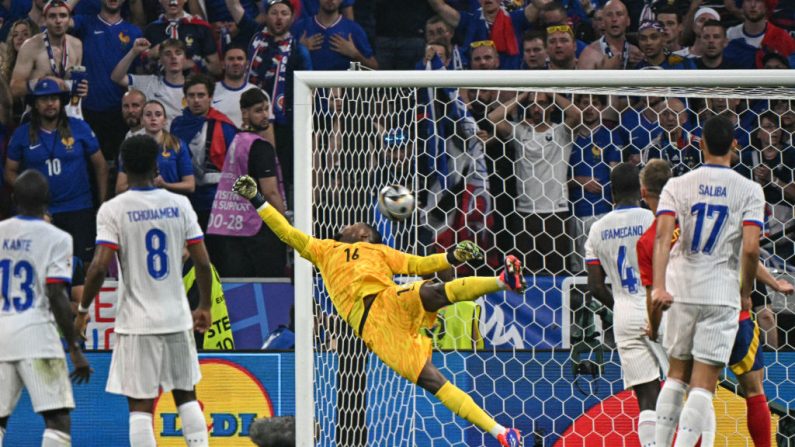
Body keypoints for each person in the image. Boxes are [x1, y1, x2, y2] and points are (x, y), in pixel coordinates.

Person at [232, 174, 525, 447]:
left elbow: (419, 265)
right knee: (432, 380)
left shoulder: (381, 252)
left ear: (362, 233)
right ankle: (501, 432)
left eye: (352, 224)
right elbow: (286, 232)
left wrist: (450, 256)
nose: (346, 226)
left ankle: (502, 281)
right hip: (375, 329)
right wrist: (257, 198)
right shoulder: (322, 250)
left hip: (388, 298)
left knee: (432, 291)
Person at [637, 158, 788, 447]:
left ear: (645, 192)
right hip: (731, 306)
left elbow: (653, 294)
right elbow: (745, 249)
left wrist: (654, 328)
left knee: (694, 388)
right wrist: (768, 284)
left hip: (689, 314)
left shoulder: (650, 239)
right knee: (754, 390)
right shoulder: (697, 217)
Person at [75, 134, 213, 447]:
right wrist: (204, 306)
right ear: (156, 165)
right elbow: (203, 263)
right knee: (186, 395)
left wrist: (83, 311)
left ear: (122, 165)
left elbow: (98, 267)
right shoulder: (179, 205)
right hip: (177, 317)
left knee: (140, 405)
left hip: (137, 322)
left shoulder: (114, 209)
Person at [651, 115, 766, 447]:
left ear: (700, 144)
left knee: (675, 376)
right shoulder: (749, 189)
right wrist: (745, 290)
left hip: (680, 288)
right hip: (720, 292)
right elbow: (750, 247)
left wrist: (659, 285)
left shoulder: (677, 184)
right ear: (735, 145)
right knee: (703, 383)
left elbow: (661, 237)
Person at [0, 170, 91, 447]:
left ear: (14, 198)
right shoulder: (57, 238)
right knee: (57, 419)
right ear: (47, 201)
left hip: (2, 334)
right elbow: (56, 295)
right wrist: (74, 347)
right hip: (38, 337)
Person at [585, 162, 663, 447]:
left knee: (647, 396)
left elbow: (595, 286)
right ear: (642, 191)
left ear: (611, 193)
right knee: (685, 386)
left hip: (625, 312)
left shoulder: (597, 230)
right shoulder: (653, 218)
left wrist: (619, 302)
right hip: (661, 306)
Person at [5, 79, 108, 263]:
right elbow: (9, 172)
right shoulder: (21, 134)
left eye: (54, 98)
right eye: (44, 99)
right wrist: (31, 194)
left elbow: (100, 166)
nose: (50, 103)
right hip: (42, 212)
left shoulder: (80, 127)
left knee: (83, 265)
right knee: (42, 265)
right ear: (35, 104)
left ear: (61, 102)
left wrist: (102, 204)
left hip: (79, 207)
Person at [207, 88, 286, 277]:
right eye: (259, 110)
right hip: (258, 231)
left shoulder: (237, 140)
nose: (265, 115)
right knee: (268, 291)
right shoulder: (260, 147)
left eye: (267, 109)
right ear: (244, 113)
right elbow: (270, 192)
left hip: (231, 227)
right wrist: (286, 225)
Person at [70, 0, 142, 163]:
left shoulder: (134, 32)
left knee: (123, 166)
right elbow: (57, 18)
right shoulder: (84, 22)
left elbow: (139, 75)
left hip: (122, 113)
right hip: (89, 110)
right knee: (91, 166)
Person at [170, 73, 237, 230]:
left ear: (210, 97)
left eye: (201, 95)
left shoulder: (225, 126)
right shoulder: (177, 125)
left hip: (216, 199)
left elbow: (235, 166)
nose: (196, 100)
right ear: (185, 98)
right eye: (191, 96)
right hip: (184, 198)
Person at [9, 0, 88, 118]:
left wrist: (82, 89)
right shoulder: (30, 46)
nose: (58, 21)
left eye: (63, 15)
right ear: (44, 20)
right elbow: (14, 88)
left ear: (69, 19)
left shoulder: (77, 45)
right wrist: (44, 81)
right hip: (37, 116)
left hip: (68, 114)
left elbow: (72, 85)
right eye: (52, 16)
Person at [116, 100, 195, 195]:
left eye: (158, 114)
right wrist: (144, 184)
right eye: (148, 115)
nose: (153, 118)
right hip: (141, 203)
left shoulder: (177, 145)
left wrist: (165, 185)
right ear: (141, 120)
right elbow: (119, 188)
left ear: (165, 120)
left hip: (169, 203)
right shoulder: (132, 146)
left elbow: (190, 185)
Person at [112, 37, 188, 126]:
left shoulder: (194, 89)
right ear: (161, 60)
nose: (173, 57)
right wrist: (134, 52)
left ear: (185, 59)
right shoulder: (149, 83)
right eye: (168, 54)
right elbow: (117, 77)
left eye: (178, 53)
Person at [143, 0, 221, 75]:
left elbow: (216, 69)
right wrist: (149, 55)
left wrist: (194, 63)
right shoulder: (151, 30)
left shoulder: (201, 27)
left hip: (193, 84)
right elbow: (143, 69)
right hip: (161, 85)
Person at [577, 0, 641, 69]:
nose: (614, 19)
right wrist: (606, 71)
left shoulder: (635, 52)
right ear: (603, 22)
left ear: (628, 21)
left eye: (619, 14)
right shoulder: (589, 55)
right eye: (609, 15)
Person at [212, 45, 256, 128]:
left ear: (247, 64)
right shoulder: (210, 91)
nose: (236, 63)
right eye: (231, 59)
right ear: (223, 64)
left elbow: (266, 133)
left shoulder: (258, 93)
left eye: (240, 59)